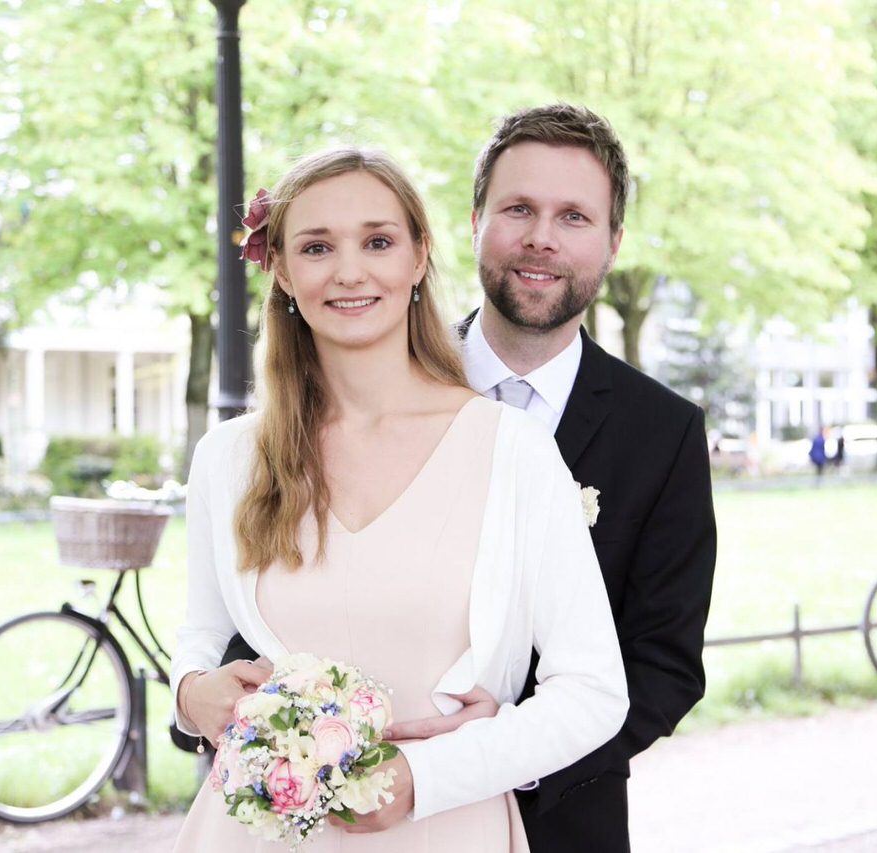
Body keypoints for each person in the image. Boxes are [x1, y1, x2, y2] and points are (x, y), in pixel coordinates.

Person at [214, 104, 717, 852]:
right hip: (322, 819)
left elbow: (664, 665)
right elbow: (251, 618)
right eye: (519, 208)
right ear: (475, 218)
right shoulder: (357, 374)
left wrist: (489, 758)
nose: (541, 236)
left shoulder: (664, 433)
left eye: (574, 216)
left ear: (613, 243)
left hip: (561, 818)